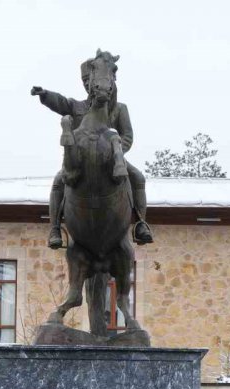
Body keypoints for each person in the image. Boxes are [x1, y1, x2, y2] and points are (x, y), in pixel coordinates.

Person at [31, 55, 153, 248]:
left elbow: (127, 136)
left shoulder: (119, 109)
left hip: (111, 159)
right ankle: (55, 228)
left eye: (90, 79)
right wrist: (45, 95)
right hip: (80, 160)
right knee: (58, 182)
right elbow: (60, 102)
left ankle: (140, 223)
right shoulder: (76, 107)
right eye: (85, 81)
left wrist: (115, 153)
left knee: (138, 177)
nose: (88, 84)